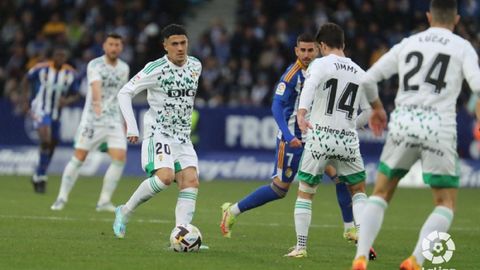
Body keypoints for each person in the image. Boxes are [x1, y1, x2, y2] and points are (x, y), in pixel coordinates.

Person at [351, 1, 480, 269]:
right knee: (445, 202)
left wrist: (377, 108)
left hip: (403, 124)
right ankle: (415, 260)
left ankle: (360, 257)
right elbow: (477, 86)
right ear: (456, 19)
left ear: (429, 16)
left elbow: (367, 80)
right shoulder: (462, 47)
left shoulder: (408, 43)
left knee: (381, 193)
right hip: (439, 128)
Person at [220, 33, 359, 242]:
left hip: (317, 137)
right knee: (279, 189)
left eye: (310, 50)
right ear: (296, 51)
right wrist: (287, 135)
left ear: (318, 50)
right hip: (293, 138)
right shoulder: (292, 75)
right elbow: (276, 106)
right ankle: (233, 211)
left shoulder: (323, 69)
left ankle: (349, 228)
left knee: (340, 177)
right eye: (302, 50)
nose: (306, 54)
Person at [284, 23, 383, 258]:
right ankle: (362, 242)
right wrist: (351, 125)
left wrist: (301, 113)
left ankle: (300, 247)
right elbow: (369, 112)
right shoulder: (360, 72)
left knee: (306, 191)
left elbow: (309, 87)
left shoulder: (320, 64)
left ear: (322, 46)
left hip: (320, 136)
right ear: (344, 45)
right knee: (358, 191)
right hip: (347, 139)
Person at [112, 24, 202, 239]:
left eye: (183, 43)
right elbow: (125, 92)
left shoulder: (196, 66)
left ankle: (181, 234)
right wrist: (132, 126)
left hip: (182, 136)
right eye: (175, 44)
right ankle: (124, 211)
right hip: (158, 132)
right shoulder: (155, 69)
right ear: (165, 46)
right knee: (165, 177)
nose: (180, 48)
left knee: (190, 181)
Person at [50, 33, 130, 211]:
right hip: (93, 120)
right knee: (79, 157)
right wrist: (97, 105)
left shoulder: (124, 68)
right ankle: (61, 198)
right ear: (104, 46)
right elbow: (95, 87)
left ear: (121, 48)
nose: (114, 48)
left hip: (114, 120)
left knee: (120, 158)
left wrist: (124, 120)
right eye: (111, 44)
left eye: (117, 45)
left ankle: (104, 201)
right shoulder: (95, 64)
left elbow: (121, 95)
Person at [22, 46, 80, 193]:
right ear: (53, 56)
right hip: (41, 109)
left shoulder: (70, 73)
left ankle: (39, 174)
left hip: (56, 113)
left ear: (65, 58)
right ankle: (41, 177)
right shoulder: (41, 68)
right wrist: (25, 102)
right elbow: (25, 80)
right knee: (46, 140)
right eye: (58, 55)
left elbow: (76, 93)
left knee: (52, 144)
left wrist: (67, 101)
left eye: (63, 56)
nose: (60, 58)